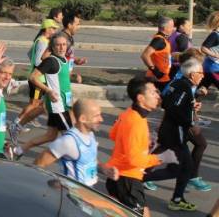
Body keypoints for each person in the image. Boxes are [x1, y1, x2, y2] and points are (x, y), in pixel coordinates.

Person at [104, 77, 178, 217]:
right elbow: (135, 160)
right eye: (153, 92)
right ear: (141, 98)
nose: (158, 96)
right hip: (127, 179)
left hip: (119, 177)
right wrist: (161, 158)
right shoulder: (136, 122)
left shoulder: (129, 112)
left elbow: (113, 134)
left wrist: (144, 141)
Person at [141, 58, 203, 211]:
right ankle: (135, 177)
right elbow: (173, 107)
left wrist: (191, 107)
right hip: (175, 133)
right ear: (192, 74)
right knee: (180, 168)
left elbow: (167, 103)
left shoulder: (177, 83)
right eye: (201, 73)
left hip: (169, 130)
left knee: (182, 166)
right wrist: (189, 122)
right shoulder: (185, 87)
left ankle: (176, 199)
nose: (203, 76)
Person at [15, 33, 73, 158]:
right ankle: (68, 160)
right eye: (58, 45)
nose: (61, 47)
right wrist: (48, 91)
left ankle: (18, 150)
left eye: (64, 44)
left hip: (64, 104)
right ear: (52, 47)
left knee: (50, 136)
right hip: (57, 106)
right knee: (71, 136)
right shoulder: (52, 61)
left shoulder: (64, 59)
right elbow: (32, 77)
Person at [35, 99, 118, 186]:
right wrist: (49, 186)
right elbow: (38, 165)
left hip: (88, 191)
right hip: (71, 193)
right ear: (82, 119)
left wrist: (104, 169)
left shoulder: (90, 135)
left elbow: (90, 160)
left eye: (100, 115)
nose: (101, 119)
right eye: (96, 116)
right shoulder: (68, 141)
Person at [11, 18, 59, 137]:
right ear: (47, 29)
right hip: (38, 79)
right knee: (34, 104)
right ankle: (16, 123)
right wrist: (46, 66)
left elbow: (29, 54)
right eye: (53, 28)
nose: (55, 31)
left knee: (36, 104)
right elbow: (38, 60)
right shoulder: (43, 42)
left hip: (38, 77)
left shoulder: (40, 40)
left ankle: (19, 123)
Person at [141, 16, 174, 90]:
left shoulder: (163, 39)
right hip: (157, 78)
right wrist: (156, 71)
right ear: (165, 28)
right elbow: (145, 55)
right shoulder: (159, 40)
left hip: (163, 77)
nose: (173, 29)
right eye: (171, 26)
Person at [61, 13, 86, 84]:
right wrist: (71, 76)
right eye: (77, 24)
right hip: (61, 79)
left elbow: (66, 55)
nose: (78, 27)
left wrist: (75, 60)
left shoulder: (69, 37)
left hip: (66, 77)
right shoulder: (61, 39)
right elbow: (56, 59)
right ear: (69, 25)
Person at [201, 11, 219, 89]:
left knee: (202, 88)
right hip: (213, 67)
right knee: (202, 88)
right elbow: (203, 48)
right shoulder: (214, 35)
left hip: (213, 67)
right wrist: (215, 55)